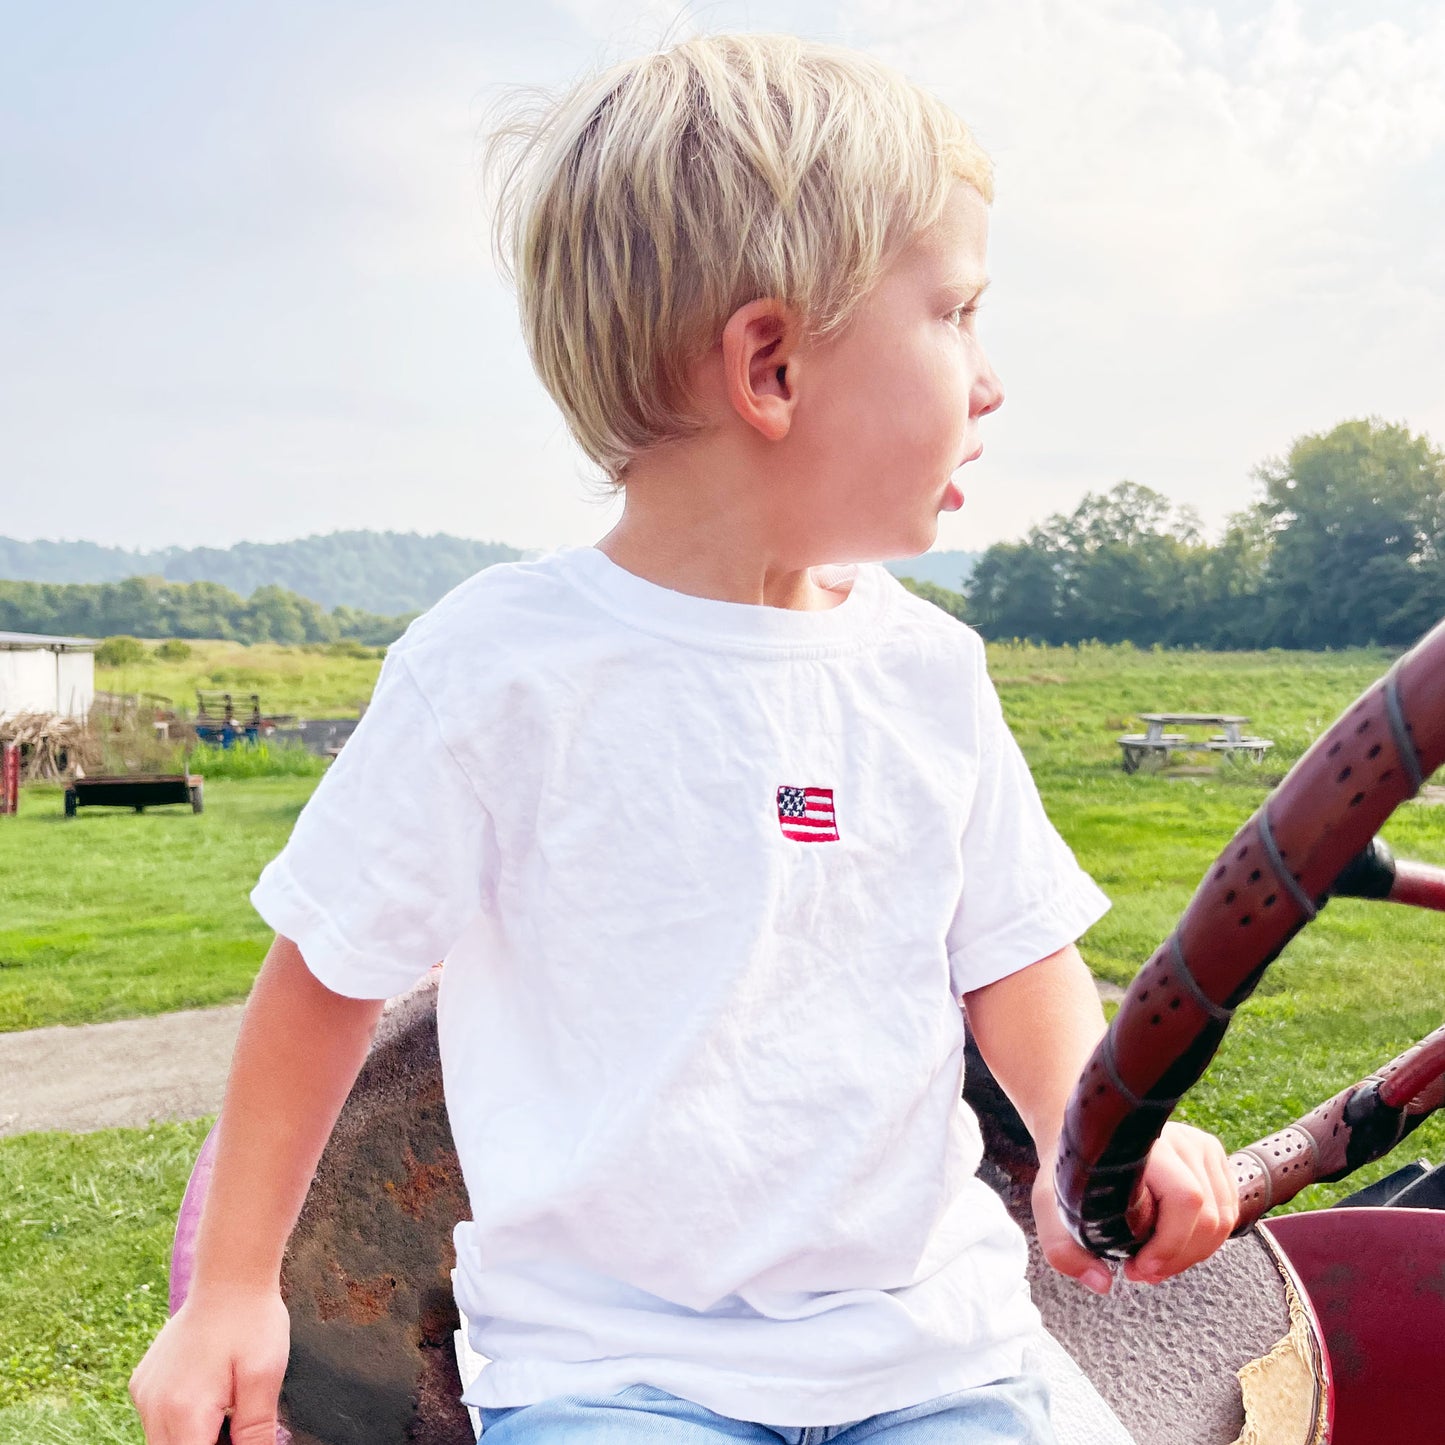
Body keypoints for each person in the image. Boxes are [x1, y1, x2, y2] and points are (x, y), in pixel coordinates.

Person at [130, 33, 1239, 1445]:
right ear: (768, 364)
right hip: (617, 1375)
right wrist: (231, 1291)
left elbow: (1012, 953)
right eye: (954, 312)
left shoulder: (926, 671)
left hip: (932, 1350)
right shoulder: (499, 672)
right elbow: (325, 973)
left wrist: (1093, 1141)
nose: (988, 378)